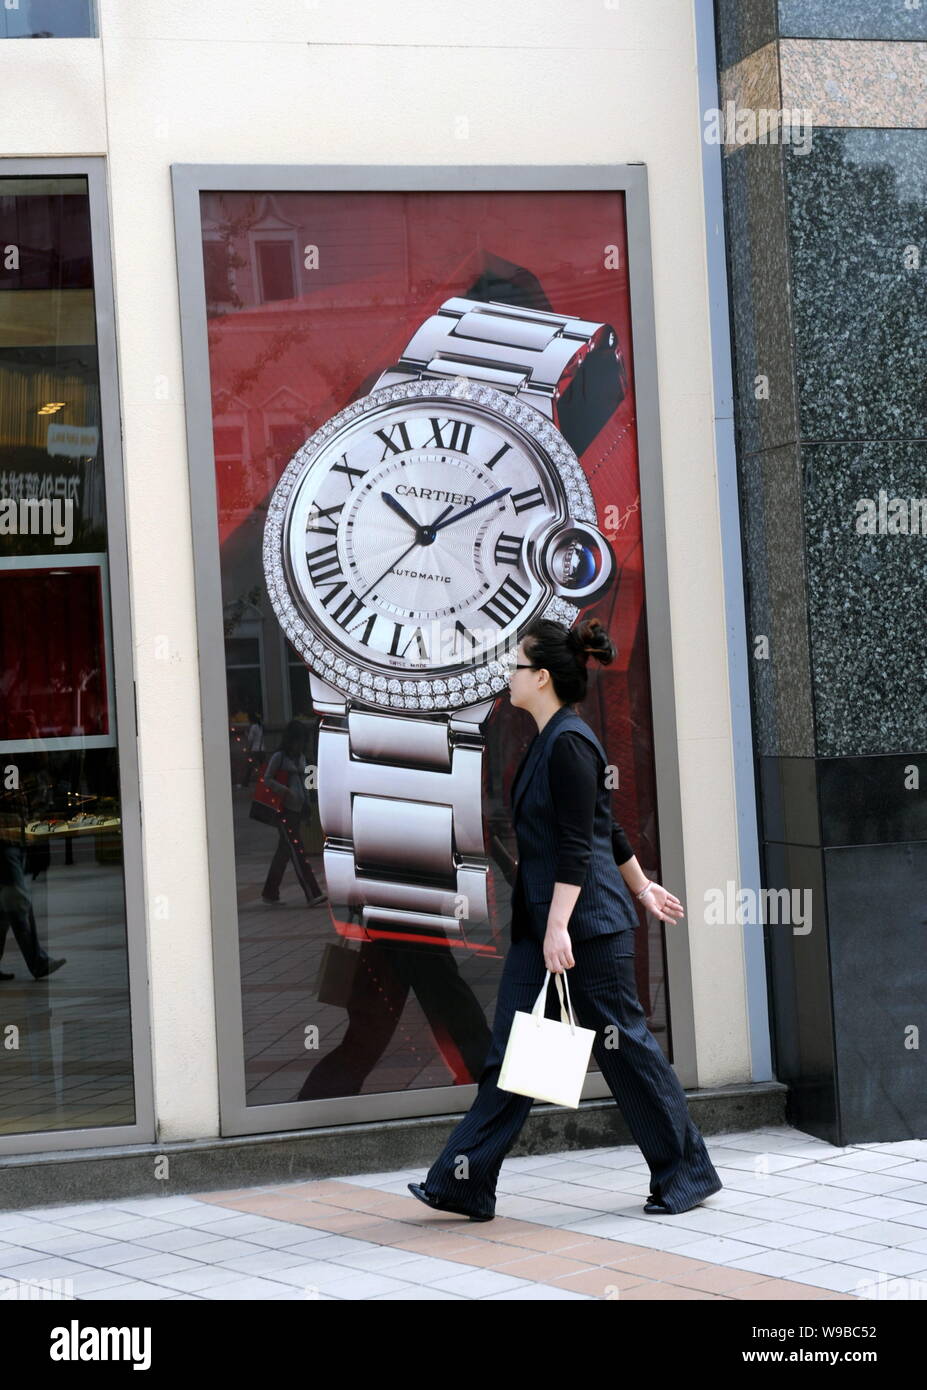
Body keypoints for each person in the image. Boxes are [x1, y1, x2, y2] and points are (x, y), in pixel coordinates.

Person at [408, 615, 722, 1221]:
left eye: (516, 666)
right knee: (512, 1055)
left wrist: (566, 924)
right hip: (546, 927)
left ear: (543, 677)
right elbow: (606, 825)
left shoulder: (570, 742)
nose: (508, 675)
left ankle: (687, 1172)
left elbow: (583, 843)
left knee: (624, 1049)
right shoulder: (550, 739)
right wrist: (643, 885)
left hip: (586, 929)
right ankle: (463, 1181)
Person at [261, 719, 327, 908]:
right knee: (296, 851)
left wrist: (307, 806)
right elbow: (266, 780)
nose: (300, 745)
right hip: (283, 810)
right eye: (297, 741)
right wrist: (284, 790)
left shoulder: (302, 759)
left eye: (302, 742)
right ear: (290, 740)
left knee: (284, 852)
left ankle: (270, 892)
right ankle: (312, 892)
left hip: (297, 810)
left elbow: (307, 785)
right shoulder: (279, 757)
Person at [238, 711, 264, 788]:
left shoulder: (253, 727)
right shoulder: (260, 726)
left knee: (249, 767)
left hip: (255, 750)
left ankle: (245, 783)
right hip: (262, 749)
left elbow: (250, 739)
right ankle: (267, 783)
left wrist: (246, 734)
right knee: (263, 768)